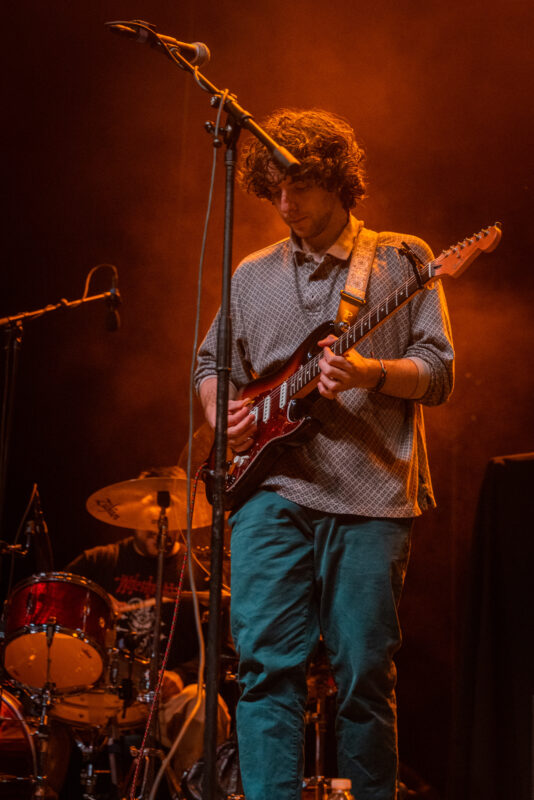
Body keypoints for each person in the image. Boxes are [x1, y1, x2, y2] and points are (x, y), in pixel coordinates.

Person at [194, 108, 454, 800]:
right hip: (270, 494)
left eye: (300, 186)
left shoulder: (402, 260)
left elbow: (439, 373)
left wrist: (371, 373)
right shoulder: (252, 274)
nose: (286, 204)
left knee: (364, 676)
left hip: (371, 495)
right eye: (274, 189)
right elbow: (211, 363)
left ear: (339, 180)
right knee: (263, 672)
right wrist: (224, 414)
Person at [66, 466, 231, 782]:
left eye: (166, 522)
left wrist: (182, 676)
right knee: (45, 710)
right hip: (100, 694)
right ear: (132, 517)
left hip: (169, 697)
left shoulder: (200, 574)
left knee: (204, 707)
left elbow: (221, 648)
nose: (159, 529)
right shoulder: (99, 562)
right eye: (150, 523)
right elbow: (55, 612)